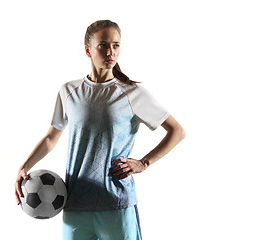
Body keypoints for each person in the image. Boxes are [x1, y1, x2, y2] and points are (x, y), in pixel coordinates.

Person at [15, 19, 186, 240]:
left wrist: (143, 163)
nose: (111, 52)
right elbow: (51, 138)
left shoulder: (132, 93)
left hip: (116, 203)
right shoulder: (69, 91)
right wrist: (24, 166)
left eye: (116, 45)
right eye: (103, 45)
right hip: (75, 204)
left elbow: (177, 131)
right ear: (88, 50)